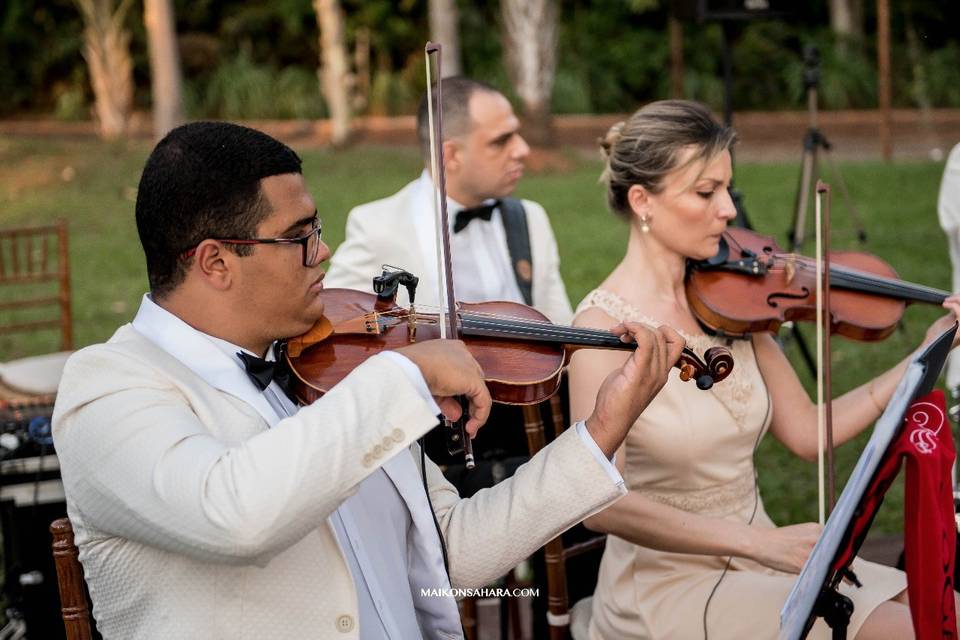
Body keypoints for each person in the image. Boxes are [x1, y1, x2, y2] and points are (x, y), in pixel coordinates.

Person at [52, 121, 685, 639]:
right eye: (300, 237)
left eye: (317, 230)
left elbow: (451, 551)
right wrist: (401, 374)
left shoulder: (327, 372)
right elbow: (232, 515)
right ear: (216, 261)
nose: (322, 253)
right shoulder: (105, 391)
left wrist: (602, 429)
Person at [567, 100, 960, 639]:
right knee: (906, 631)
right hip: (667, 587)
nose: (728, 209)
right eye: (705, 193)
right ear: (643, 201)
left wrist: (921, 358)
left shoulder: (732, 300)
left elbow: (806, 431)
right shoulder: (600, 330)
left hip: (770, 554)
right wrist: (761, 545)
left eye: (728, 188)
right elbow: (595, 506)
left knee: (948, 608)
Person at [325, 76, 573, 325]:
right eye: (501, 141)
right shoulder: (377, 228)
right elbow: (333, 322)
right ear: (451, 155)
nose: (522, 150)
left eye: (516, 134)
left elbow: (559, 324)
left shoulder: (531, 218)